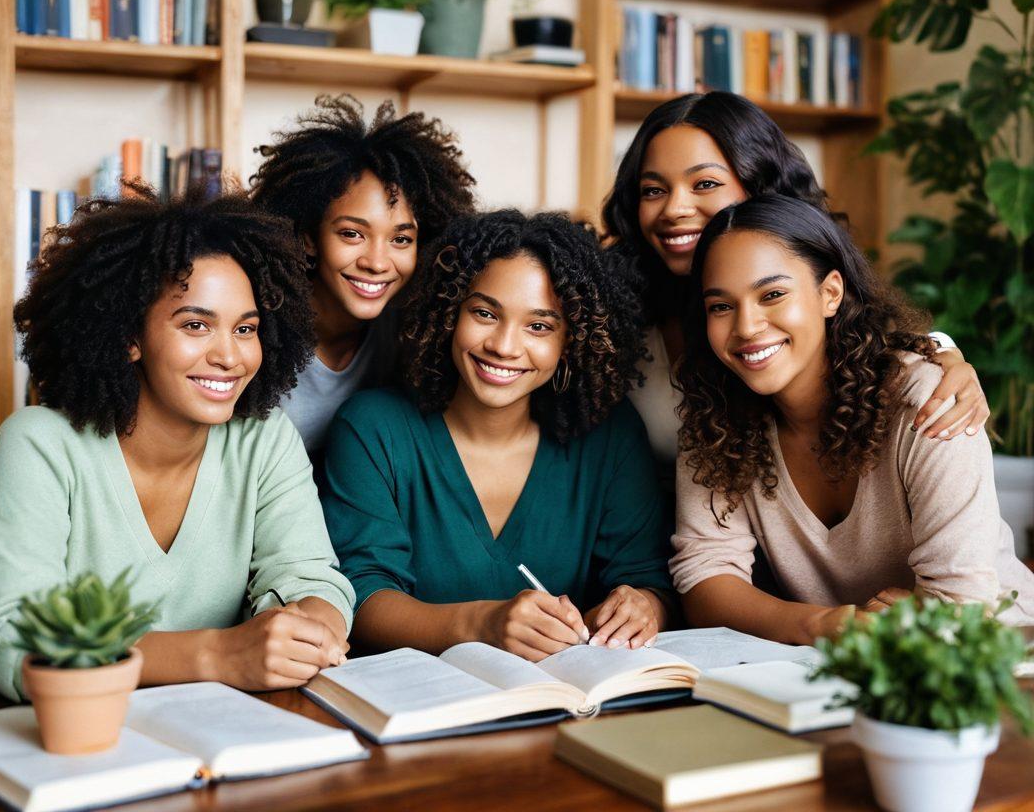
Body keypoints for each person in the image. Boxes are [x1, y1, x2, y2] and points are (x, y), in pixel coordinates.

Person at [0, 189, 354, 710]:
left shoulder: (263, 439)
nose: (229, 356)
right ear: (130, 335)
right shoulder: (39, 443)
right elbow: (14, 645)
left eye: (246, 329)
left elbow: (310, 577)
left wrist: (312, 624)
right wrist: (216, 655)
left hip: (149, 698)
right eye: (196, 325)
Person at [669, 195, 1034, 643]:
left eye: (773, 295)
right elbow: (705, 581)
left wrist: (910, 619)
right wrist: (824, 624)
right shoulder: (714, 417)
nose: (746, 326)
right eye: (721, 306)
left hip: (1000, 661)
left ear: (830, 293)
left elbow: (961, 608)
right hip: (844, 664)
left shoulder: (929, 400)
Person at [322, 211, 674, 661]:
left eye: (539, 326)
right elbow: (363, 597)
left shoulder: (611, 435)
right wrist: (481, 624)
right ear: (449, 312)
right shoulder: (374, 428)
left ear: (571, 341)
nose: (504, 346)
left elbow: (650, 581)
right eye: (485, 313)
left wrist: (643, 606)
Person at [601, 92, 989, 469]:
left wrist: (942, 354)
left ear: (760, 187)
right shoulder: (614, 313)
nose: (674, 209)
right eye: (653, 190)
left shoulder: (812, 286)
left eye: (704, 184)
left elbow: (874, 343)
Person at [248, 94, 476, 470]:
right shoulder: (257, 328)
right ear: (308, 237)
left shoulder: (415, 333)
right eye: (353, 234)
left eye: (401, 239)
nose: (377, 262)